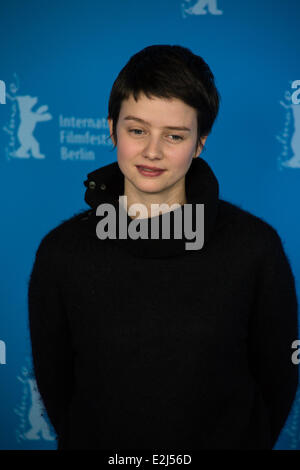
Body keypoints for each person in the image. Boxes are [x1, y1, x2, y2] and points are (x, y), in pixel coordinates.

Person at [28, 44, 299, 450]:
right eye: (137, 130)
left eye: (174, 136)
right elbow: (56, 384)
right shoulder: (62, 253)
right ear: (111, 128)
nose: (152, 151)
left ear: (200, 142)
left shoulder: (254, 248)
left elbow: (278, 379)